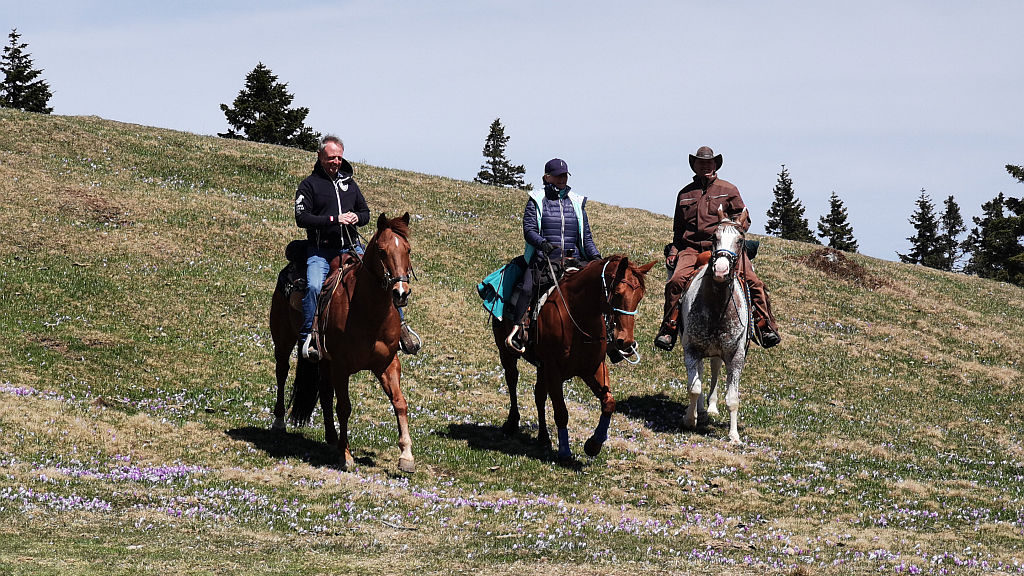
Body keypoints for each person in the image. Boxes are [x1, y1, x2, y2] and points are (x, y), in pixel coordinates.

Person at [294, 135, 420, 361]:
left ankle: (400, 327)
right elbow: (302, 217)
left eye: (339, 158)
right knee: (313, 286)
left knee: (384, 278)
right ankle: (309, 337)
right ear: (320, 156)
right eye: (331, 157)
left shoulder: (349, 184)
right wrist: (335, 219)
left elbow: (366, 214)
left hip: (352, 248)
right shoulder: (309, 185)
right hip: (321, 251)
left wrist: (355, 217)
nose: (336, 162)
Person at [654, 146, 781, 351]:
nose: (705, 166)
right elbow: (678, 229)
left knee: (753, 281)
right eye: (700, 162)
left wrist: (732, 229)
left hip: (725, 246)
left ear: (715, 165)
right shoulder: (684, 194)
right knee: (675, 282)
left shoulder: (729, 190)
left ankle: (765, 326)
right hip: (691, 248)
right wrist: (674, 250)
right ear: (694, 166)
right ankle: (669, 328)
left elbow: (744, 217)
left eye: (708, 162)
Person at [506, 158, 601, 353]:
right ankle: (518, 330)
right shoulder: (536, 200)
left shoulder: (576, 202)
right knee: (526, 289)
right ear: (546, 177)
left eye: (564, 175)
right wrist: (543, 244)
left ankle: (608, 336)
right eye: (558, 175)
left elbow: (586, 238)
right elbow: (529, 230)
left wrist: (597, 259)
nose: (562, 179)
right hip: (544, 260)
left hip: (574, 260)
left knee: (601, 290)